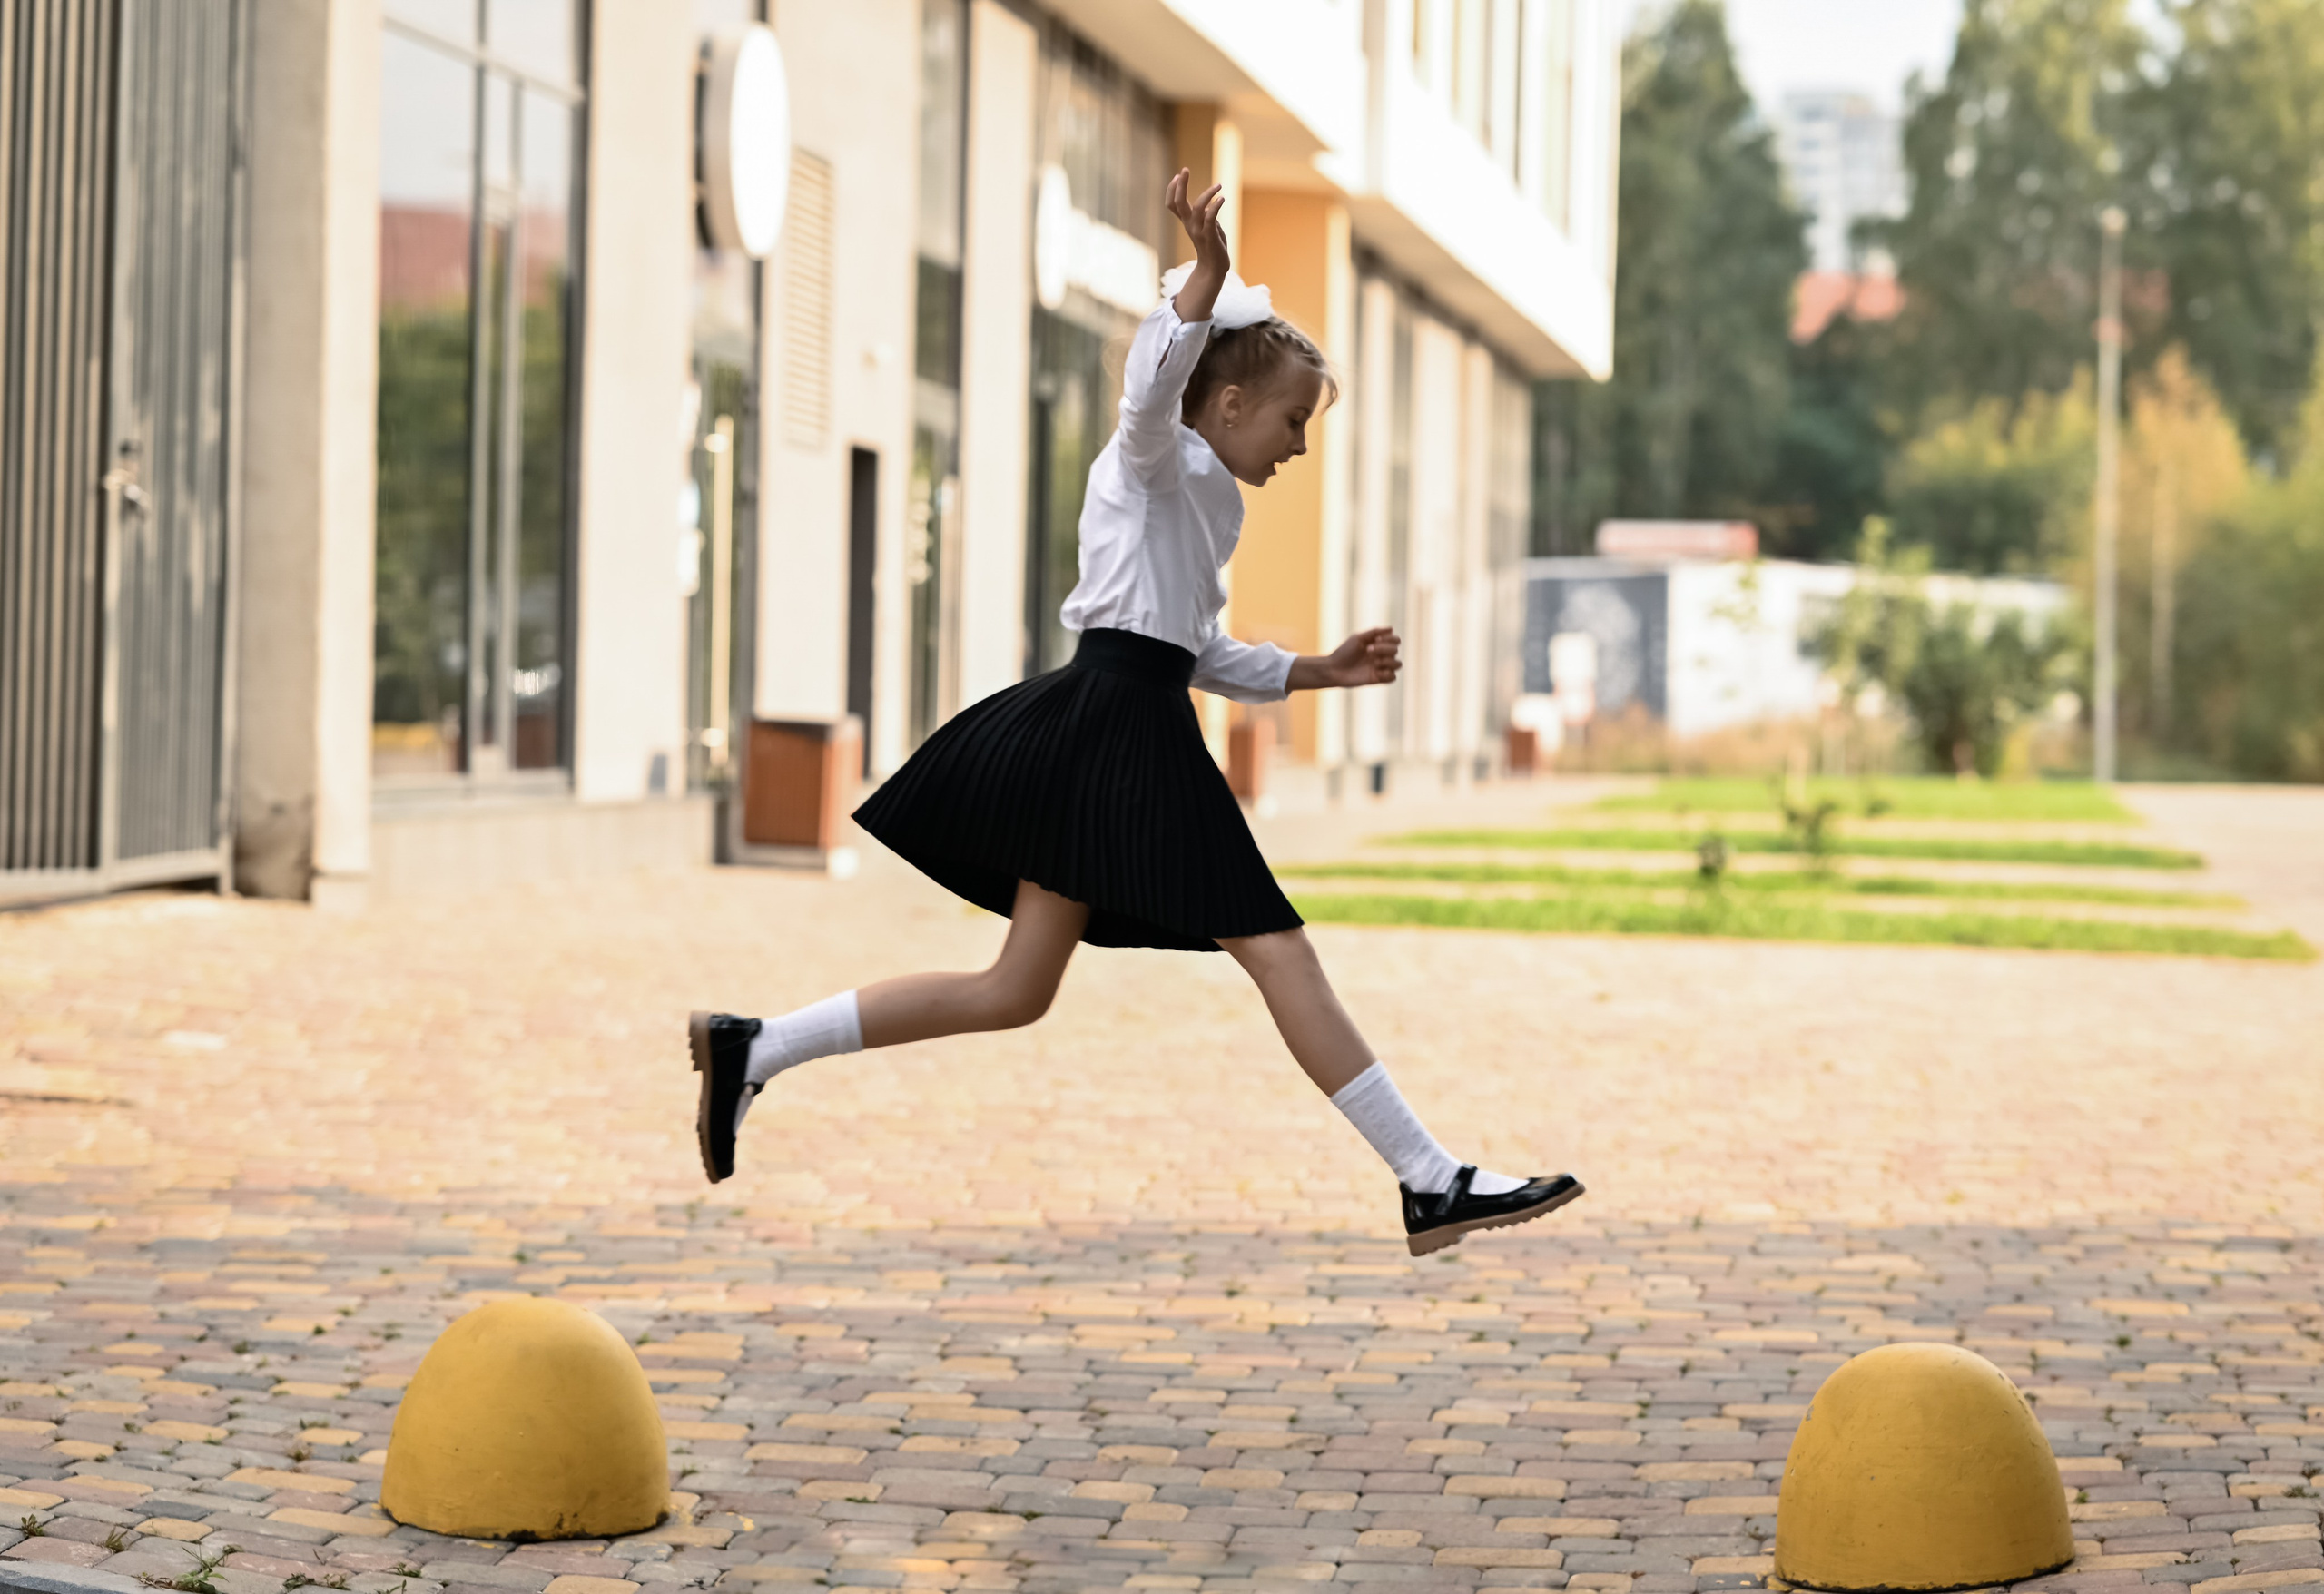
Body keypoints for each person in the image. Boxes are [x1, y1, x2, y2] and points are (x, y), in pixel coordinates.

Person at [691, 171, 1581, 1256]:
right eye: (1294, 419)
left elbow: (1194, 646)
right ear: (1229, 401)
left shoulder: (1202, 501)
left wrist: (1315, 671)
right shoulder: (1154, 461)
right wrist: (1200, 285)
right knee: (1281, 951)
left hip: (1122, 719)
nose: (1299, 445)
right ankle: (1428, 1177)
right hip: (1119, 727)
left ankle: (757, 1045)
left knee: (1016, 988)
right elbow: (1147, 395)